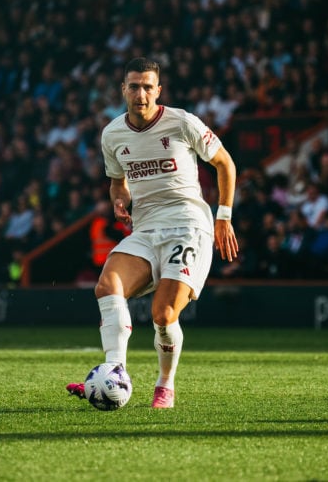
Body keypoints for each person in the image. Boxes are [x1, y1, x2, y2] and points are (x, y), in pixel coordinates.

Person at [66, 58, 239, 409]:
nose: (140, 93)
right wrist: (119, 201)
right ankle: (115, 372)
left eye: (148, 86)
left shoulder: (183, 122)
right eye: (134, 86)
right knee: (107, 285)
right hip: (146, 227)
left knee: (163, 315)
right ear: (123, 90)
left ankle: (165, 384)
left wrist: (224, 216)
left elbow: (225, 163)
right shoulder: (112, 134)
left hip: (189, 225)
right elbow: (118, 184)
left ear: (158, 91)